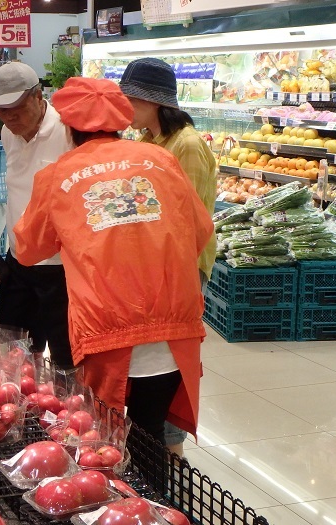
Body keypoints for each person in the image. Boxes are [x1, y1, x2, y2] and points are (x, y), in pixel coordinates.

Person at [13, 77, 213, 444]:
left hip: (107, 327)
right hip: (175, 322)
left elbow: (27, 249)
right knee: (150, 436)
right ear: (121, 121)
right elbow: (201, 232)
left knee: (101, 439)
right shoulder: (162, 160)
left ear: (70, 127)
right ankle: (157, 501)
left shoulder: (57, 175)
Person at [120, 57, 217, 456]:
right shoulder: (149, 141)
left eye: (130, 99)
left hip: (182, 269)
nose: (125, 108)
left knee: (170, 361)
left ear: (152, 101)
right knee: (152, 360)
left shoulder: (188, 146)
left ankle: (171, 456)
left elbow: (186, 222)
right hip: (154, 268)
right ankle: (157, 449)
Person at [0, 62, 75, 369]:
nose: (10, 119)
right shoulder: (8, 133)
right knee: (15, 352)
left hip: (60, 266)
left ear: (39, 97)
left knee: (67, 357)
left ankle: (67, 411)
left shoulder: (68, 131)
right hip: (18, 259)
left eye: (18, 109)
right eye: (3, 111)